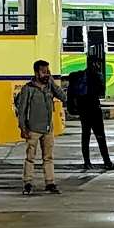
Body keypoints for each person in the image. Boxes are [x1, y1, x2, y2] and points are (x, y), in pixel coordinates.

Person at [15, 59, 68, 196]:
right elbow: (22, 110)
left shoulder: (50, 87)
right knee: (30, 157)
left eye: (48, 72)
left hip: (48, 128)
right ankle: (27, 182)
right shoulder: (28, 89)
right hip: (32, 129)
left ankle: (50, 182)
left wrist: (52, 83)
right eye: (43, 72)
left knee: (48, 157)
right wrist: (22, 128)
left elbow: (63, 97)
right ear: (36, 73)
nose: (46, 75)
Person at [78, 56, 114, 172]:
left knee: (85, 136)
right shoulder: (97, 75)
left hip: (83, 110)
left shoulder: (82, 75)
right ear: (94, 64)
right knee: (100, 136)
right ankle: (107, 162)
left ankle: (87, 162)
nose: (99, 65)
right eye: (97, 63)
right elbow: (101, 91)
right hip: (94, 109)